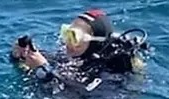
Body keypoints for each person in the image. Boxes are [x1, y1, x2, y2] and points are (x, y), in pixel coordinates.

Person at [10, 9, 149, 94]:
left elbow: (83, 94)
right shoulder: (75, 56)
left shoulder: (109, 72)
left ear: (94, 42)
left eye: (74, 37)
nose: (66, 42)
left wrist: (44, 71)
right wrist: (21, 56)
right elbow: (43, 64)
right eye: (66, 33)